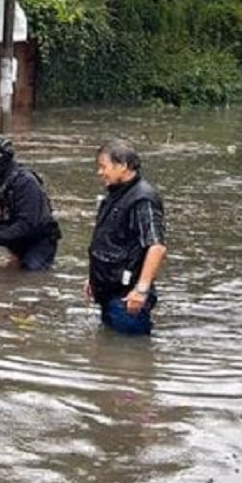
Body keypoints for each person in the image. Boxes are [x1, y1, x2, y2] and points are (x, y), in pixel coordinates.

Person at [83, 138, 167, 335]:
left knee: (130, 355)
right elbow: (108, 242)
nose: (100, 172)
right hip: (109, 292)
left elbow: (157, 247)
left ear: (123, 166)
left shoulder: (142, 199)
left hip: (128, 299)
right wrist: (94, 278)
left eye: (104, 167)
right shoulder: (115, 195)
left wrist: (141, 290)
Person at [0, 136, 61, 271]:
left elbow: (27, 224)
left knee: (29, 275)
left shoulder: (25, 182)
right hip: (11, 237)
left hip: (38, 240)